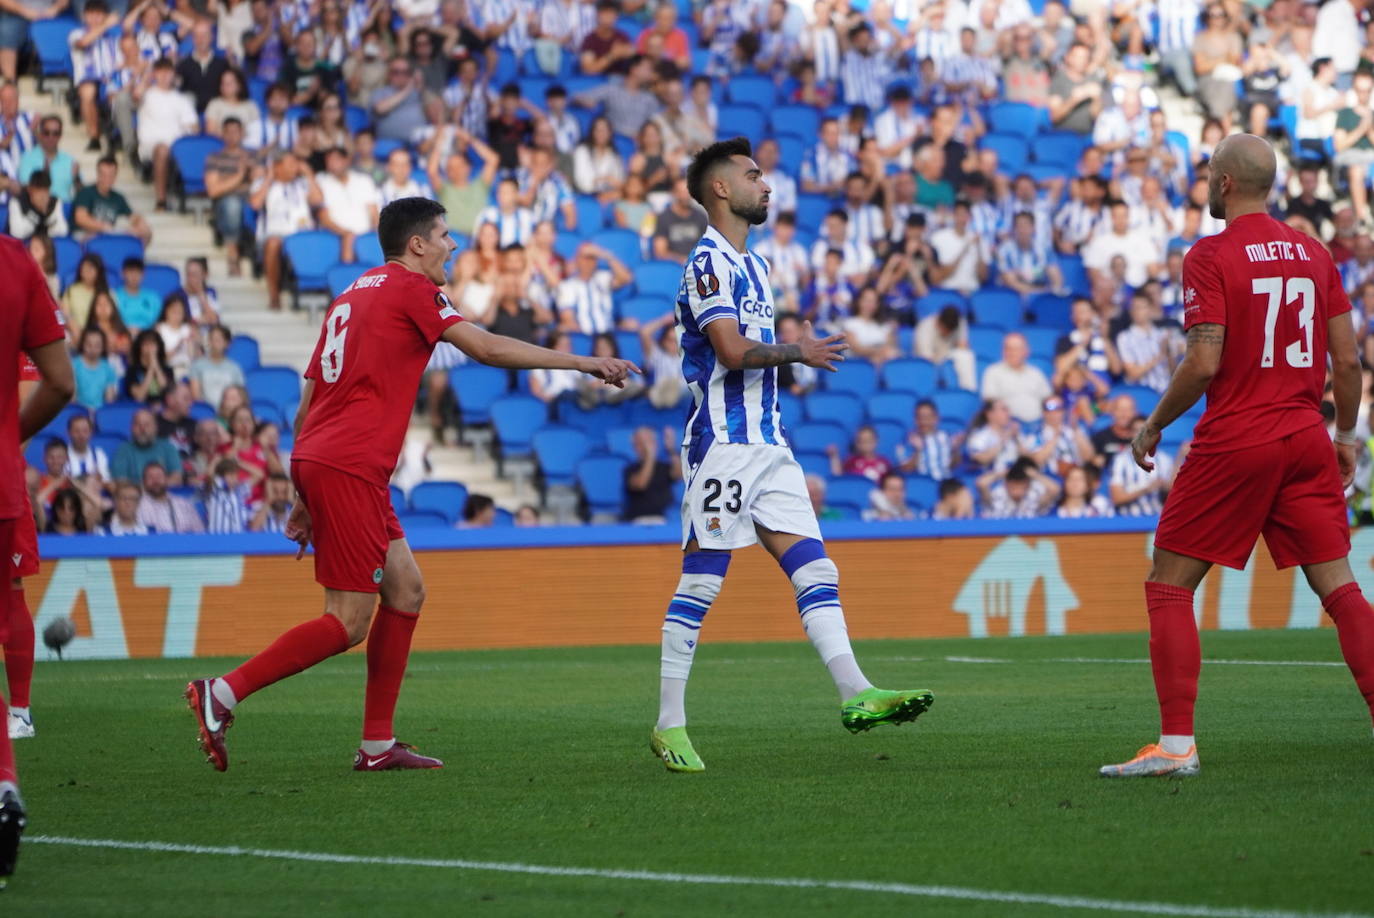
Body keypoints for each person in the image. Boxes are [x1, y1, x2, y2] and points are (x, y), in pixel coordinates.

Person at [185, 196, 638, 774]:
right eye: (446, 235)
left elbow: (307, 403)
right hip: (349, 464)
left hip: (328, 459)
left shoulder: (351, 293)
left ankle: (377, 745)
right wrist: (582, 363)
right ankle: (221, 694)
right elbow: (487, 348)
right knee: (347, 621)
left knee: (405, 591)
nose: (454, 245)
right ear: (417, 244)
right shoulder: (413, 290)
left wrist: (303, 490)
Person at [647, 138, 931, 775]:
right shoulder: (709, 263)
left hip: (770, 446)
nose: (766, 185)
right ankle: (669, 725)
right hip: (721, 444)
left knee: (816, 570)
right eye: (753, 176)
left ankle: (856, 692)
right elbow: (728, 350)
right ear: (721, 189)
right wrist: (798, 352)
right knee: (701, 581)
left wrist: (794, 360)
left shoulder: (758, 267)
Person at [1100, 134, 1374, 778]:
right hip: (1307, 436)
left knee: (1169, 584)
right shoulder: (1314, 252)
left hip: (1239, 437)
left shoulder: (1210, 254)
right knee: (1340, 587)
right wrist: (1346, 438)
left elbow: (1203, 362)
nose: (1203, 179)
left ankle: (1175, 747)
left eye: (1207, 171)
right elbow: (1349, 361)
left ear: (1225, 182)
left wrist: (1153, 425)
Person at [0, 231, 76, 885]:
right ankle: (3, 776)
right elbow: (58, 384)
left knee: (14, 598)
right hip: (1, 475)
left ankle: (18, 710)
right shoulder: (15, 267)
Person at [135, 57, 200, 210]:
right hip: (151, 145)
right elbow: (136, 96)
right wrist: (147, 77)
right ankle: (161, 200)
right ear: (155, 74)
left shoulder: (182, 99)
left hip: (177, 144)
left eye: (168, 72)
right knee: (162, 149)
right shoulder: (148, 94)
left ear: (174, 74)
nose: (164, 76)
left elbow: (194, 126)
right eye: (160, 72)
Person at [204, 118, 256, 276]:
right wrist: (240, 176)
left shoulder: (253, 156)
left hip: (252, 202)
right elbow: (213, 190)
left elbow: (261, 180)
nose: (232, 135)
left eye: (236, 131)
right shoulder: (214, 158)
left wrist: (228, 182)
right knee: (232, 204)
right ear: (222, 134)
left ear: (242, 134)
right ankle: (233, 255)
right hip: (225, 206)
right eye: (228, 132)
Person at [72, 156, 152, 244]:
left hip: (108, 238)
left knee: (144, 232)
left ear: (115, 176)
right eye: (103, 175)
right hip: (86, 236)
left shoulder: (118, 198)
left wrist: (140, 224)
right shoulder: (86, 192)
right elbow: (80, 218)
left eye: (111, 175)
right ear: (98, 174)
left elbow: (133, 217)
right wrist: (105, 227)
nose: (107, 179)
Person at [981, 332, 1053, 423]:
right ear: (1003, 351)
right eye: (1008, 349)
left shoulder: (1036, 373)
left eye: (1016, 349)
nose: (1012, 353)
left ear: (1026, 352)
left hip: (1038, 426)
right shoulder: (993, 372)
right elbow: (990, 403)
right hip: (1007, 427)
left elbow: (1048, 400)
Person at [624, 426, 680, 523]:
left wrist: (671, 449)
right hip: (638, 519)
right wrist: (650, 455)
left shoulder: (663, 467)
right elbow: (641, 484)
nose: (645, 447)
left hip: (664, 517)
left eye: (649, 442)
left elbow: (679, 474)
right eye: (640, 444)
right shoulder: (630, 469)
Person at [137, 461, 204, 533]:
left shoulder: (184, 503)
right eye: (150, 477)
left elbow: (199, 532)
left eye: (159, 476)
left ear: (166, 479)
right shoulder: (138, 506)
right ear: (144, 482)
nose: (155, 481)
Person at [189, 325, 245, 410]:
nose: (214, 344)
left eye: (218, 340)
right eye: (212, 339)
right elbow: (196, 395)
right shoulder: (198, 365)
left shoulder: (234, 368)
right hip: (206, 414)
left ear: (227, 344)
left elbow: (241, 396)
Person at [8, 170, 67, 240]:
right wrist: (37, 215)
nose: (42, 196)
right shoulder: (16, 202)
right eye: (38, 191)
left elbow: (63, 230)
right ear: (30, 189)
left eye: (45, 191)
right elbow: (17, 233)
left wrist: (45, 213)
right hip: (21, 245)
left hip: (45, 244)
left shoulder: (55, 202)